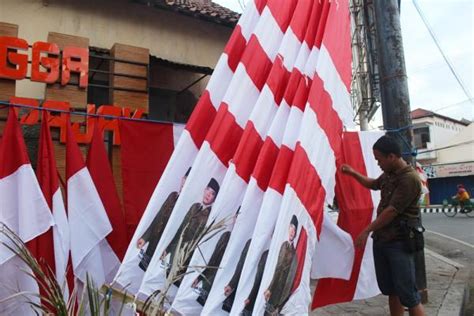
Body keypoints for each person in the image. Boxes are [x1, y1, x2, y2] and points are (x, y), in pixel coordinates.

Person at [341, 135, 425, 316]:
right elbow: (373, 184)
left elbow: (391, 211)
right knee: (391, 290)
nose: (378, 163)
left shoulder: (409, 179)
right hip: (384, 240)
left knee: (409, 296)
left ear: (392, 157)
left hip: (400, 242)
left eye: (379, 159)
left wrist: (366, 230)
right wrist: (352, 173)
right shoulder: (389, 174)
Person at [160, 178, 220, 286]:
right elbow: (181, 229)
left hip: (187, 259)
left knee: (175, 285)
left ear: (215, 198)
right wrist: (168, 248)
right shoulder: (195, 207)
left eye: (212, 194)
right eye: (208, 189)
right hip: (176, 252)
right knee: (164, 280)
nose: (208, 195)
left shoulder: (211, 217)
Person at [136, 167, 191, 271]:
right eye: (185, 178)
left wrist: (168, 249)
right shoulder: (172, 196)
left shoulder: (186, 207)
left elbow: (180, 233)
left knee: (153, 278)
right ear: (182, 178)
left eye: (189, 181)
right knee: (141, 270)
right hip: (153, 243)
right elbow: (158, 218)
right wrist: (145, 237)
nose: (185, 183)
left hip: (164, 250)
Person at [192, 207, 241, 306]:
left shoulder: (241, 243)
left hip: (224, 286)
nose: (237, 220)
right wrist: (200, 276)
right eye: (237, 216)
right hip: (210, 281)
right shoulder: (226, 235)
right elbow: (213, 258)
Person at [263, 215, 298, 315]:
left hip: (281, 292)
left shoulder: (293, 251)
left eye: (294, 230)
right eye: (291, 228)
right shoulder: (284, 245)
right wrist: (270, 288)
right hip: (275, 289)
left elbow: (288, 275)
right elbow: (278, 268)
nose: (292, 232)